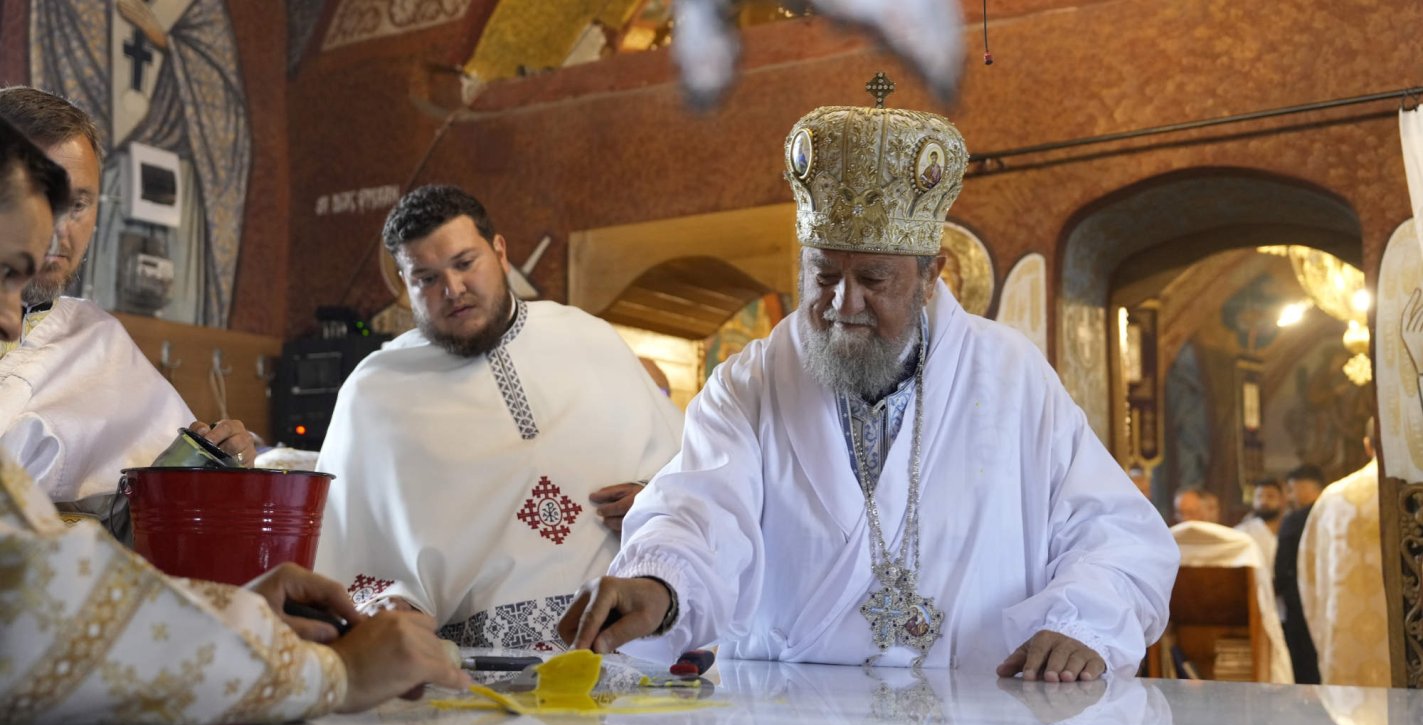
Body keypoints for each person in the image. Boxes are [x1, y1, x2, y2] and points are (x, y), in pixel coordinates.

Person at [559, 82, 1178, 681]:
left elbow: (1114, 534)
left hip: (975, 714)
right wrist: (660, 583)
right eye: (825, 275)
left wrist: (1081, 624)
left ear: (930, 276)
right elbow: (699, 510)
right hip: (791, 716)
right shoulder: (748, 386)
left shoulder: (1011, 376)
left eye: (874, 281)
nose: (843, 304)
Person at [0, 117, 466, 725]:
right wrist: (331, 674)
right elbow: (29, 610)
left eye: (79, 203)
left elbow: (102, 562)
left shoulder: (97, 340)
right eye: (5, 271)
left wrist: (225, 595)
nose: (15, 325)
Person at [314, 185, 682, 649]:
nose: (452, 289)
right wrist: (386, 601)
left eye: (465, 263)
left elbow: (690, 475)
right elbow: (347, 548)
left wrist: (654, 497)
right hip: (471, 664)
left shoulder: (590, 339)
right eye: (426, 278)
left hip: (625, 649)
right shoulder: (375, 393)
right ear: (405, 285)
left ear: (501, 253)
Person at [0, 87, 255, 527]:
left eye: (78, 204)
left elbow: (151, 522)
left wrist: (223, 468)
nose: (59, 230)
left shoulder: (100, 343)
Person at [1297, 422, 1388, 686]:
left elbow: (1310, 578)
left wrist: (1325, 636)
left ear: (1367, 445)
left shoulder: (1335, 499)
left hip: (1351, 652)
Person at [1274, 464, 1326, 684]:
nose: (1289, 497)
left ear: (1305, 488)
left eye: (1291, 490)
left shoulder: (1294, 520)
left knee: (1306, 672)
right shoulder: (1334, 515)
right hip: (1333, 604)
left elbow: (1282, 567)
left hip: (1300, 607)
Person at [1235, 477, 1284, 566]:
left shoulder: (1288, 529)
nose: (1263, 501)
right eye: (1259, 496)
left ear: (1281, 500)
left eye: (1270, 496)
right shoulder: (1242, 531)